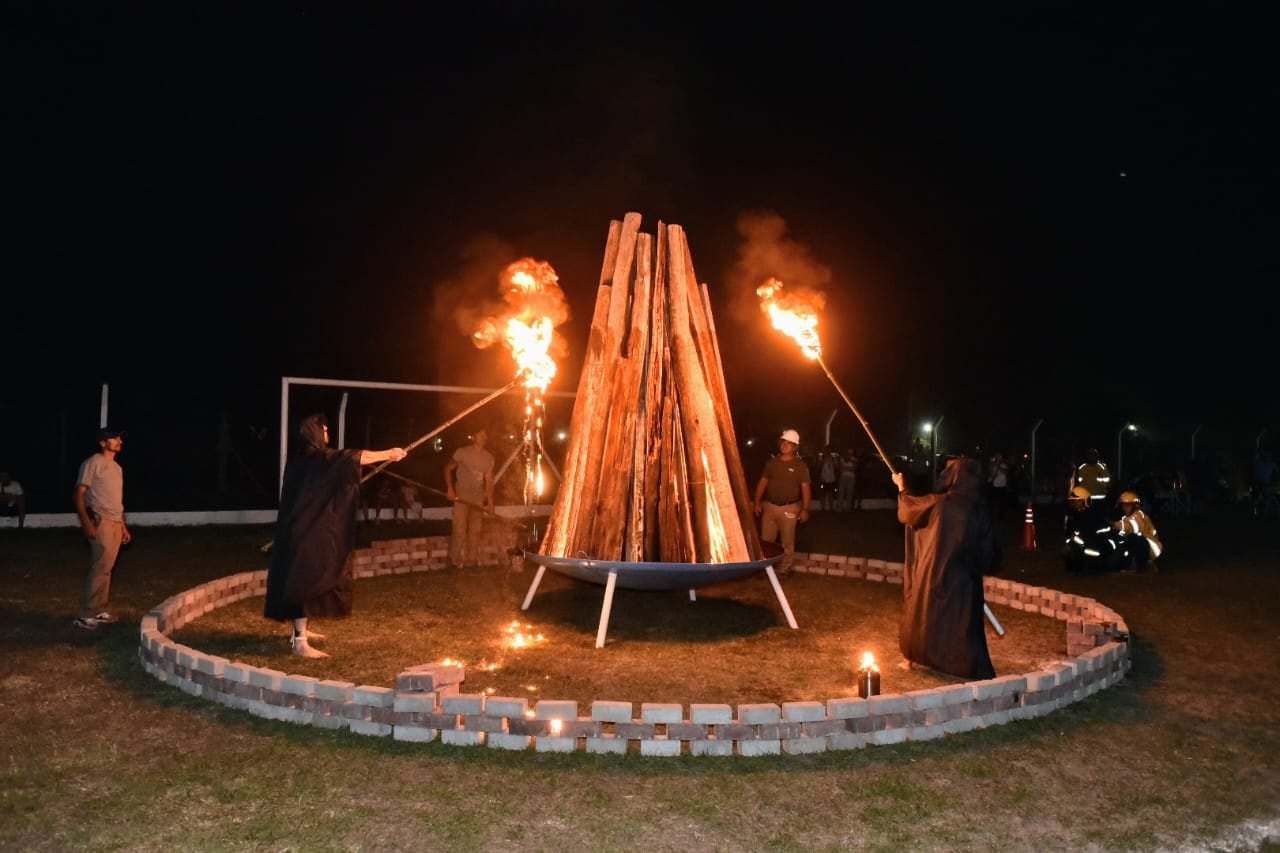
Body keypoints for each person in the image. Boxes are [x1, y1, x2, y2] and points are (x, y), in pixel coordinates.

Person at [264, 413, 407, 658]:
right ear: (314, 432)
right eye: (325, 431)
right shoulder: (311, 458)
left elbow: (332, 473)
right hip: (303, 532)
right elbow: (350, 457)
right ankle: (300, 641)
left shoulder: (307, 459)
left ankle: (300, 632)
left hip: (302, 528)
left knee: (308, 576)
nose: (328, 435)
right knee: (304, 581)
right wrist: (388, 454)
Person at [892, 457, 998, 680]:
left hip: (935, 573)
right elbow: (987, 551)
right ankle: (957, 662)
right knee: (959, 622)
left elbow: (909, 510)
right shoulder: (979, 509)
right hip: (963, 579)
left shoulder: (940, 503)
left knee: (926, 615)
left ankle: (920, 653)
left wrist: (902, 489)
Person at [72, 428, 132, 630]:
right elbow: (79, 493)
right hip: (101, 521)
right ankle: (85, 614)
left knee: (107, 569)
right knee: (100, 567)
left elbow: (117, 500)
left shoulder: (116, 468)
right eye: (114, 438)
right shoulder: (93, 463)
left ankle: (99, 609)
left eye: (119, 438)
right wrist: (86, 522)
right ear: (102, 443)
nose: (119, 440)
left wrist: (123, 526)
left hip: (115, 522)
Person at [752, 428, 812, 577]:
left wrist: (805, 509)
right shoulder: (772, 463)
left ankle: (784, 569)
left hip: (790, 508)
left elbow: (805, 488)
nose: (784, 445)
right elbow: (763, 482)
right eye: (783, 442)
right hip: (770, 507)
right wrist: (757, 501)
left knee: (787, 542)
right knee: (766, 541)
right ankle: (767, 569)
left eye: (789, 443)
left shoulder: (800, 466)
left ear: (795, 447)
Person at [444, 427, 495, 569]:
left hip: (477, 499)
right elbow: (448, 469)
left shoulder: (489, 458)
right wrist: (450, 488)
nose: (484, 438)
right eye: (481, 434)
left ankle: (471, 562)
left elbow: (489, 480)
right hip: (461, 496)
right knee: (459, 530)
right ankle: (454, 561)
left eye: (486, 435)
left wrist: (490, 501)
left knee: (475, 530)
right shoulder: (462, 452)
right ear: (474, 436)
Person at [1062, 485, 1115, 574]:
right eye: (1073, 502)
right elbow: (1070, 534)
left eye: (1077, 501)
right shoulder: (1073, 517)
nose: (1074, 504)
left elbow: (1103, 530)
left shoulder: (1094, 515)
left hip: (1096, 547)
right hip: (1082, 546)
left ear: (1085, 501)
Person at [1109, 489, 1163, 573]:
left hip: (1150, 547)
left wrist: (1114, 525)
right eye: (1123, 505)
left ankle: (1146, 564)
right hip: (1141, 546)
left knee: (1133, 538)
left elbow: (1133, 527)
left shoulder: (1139, 515)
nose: (1125, 508)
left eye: (1128, 505)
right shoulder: (1126, 517)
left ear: (1135, 506)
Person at [986, 452, 1011, 521]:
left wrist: (999, 466)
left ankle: (1001, 517)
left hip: (1002, 486)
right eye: (997, 458)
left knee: (1002, 503)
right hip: (993, 486)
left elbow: (1006, 472)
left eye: (1000, 458)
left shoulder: (1004, 465)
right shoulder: (991, 465)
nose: (999, 459)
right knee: (992, 502)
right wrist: (993, 466)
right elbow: (990, 473)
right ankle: (991, 516)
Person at [817, 444, 840, 511]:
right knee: (823, 494)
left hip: (831, 479)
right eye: (827, 450)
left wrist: (835, 461)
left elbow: (836, 467)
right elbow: (818, 466)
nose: (828, 451)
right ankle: (823, 508)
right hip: (823, 478)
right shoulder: (822, 457)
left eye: (830, 450)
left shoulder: (833, 458)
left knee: (831, 494)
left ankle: (831, 508)